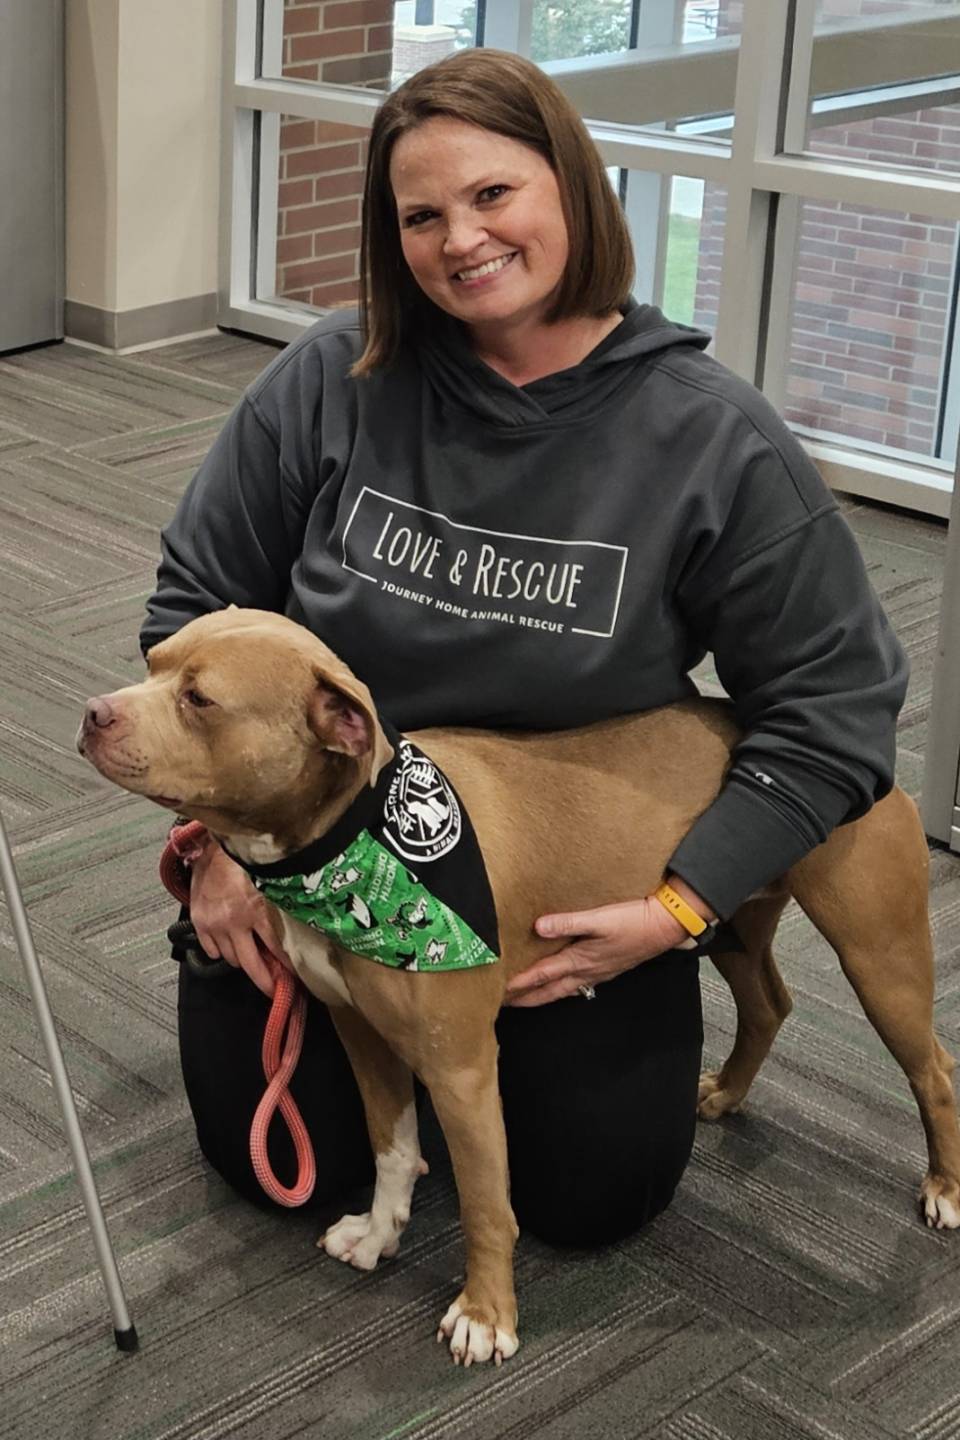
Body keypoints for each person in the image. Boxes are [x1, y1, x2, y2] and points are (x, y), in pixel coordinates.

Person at [142, 49, 907, 1246]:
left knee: (596, 1197)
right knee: (277, 1162)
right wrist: (228, 844)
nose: (461, 240)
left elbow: (837, 711)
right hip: (318, 860)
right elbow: (197, 607)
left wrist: (678, 909)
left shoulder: (711, 442)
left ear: (575, 188)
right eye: (422, 216)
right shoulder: (331, 379)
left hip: (552, 891)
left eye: (495, 194)